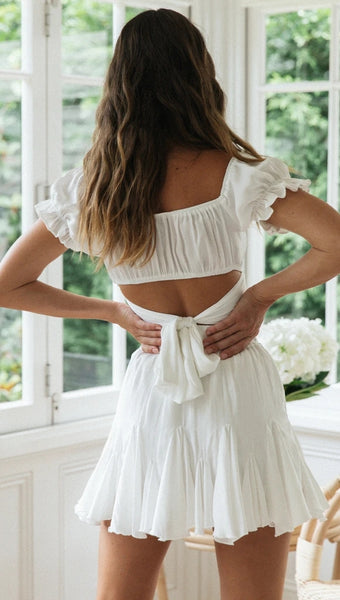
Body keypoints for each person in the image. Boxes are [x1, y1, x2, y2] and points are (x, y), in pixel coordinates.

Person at [0, 8, 338, 600]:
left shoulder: (92, 188)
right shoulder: (238, 175)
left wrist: (113, 313)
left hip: (154, 382)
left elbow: (9, 283)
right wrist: (258, 297)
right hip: (236, 381)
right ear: (199, 76)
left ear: (118, 85)